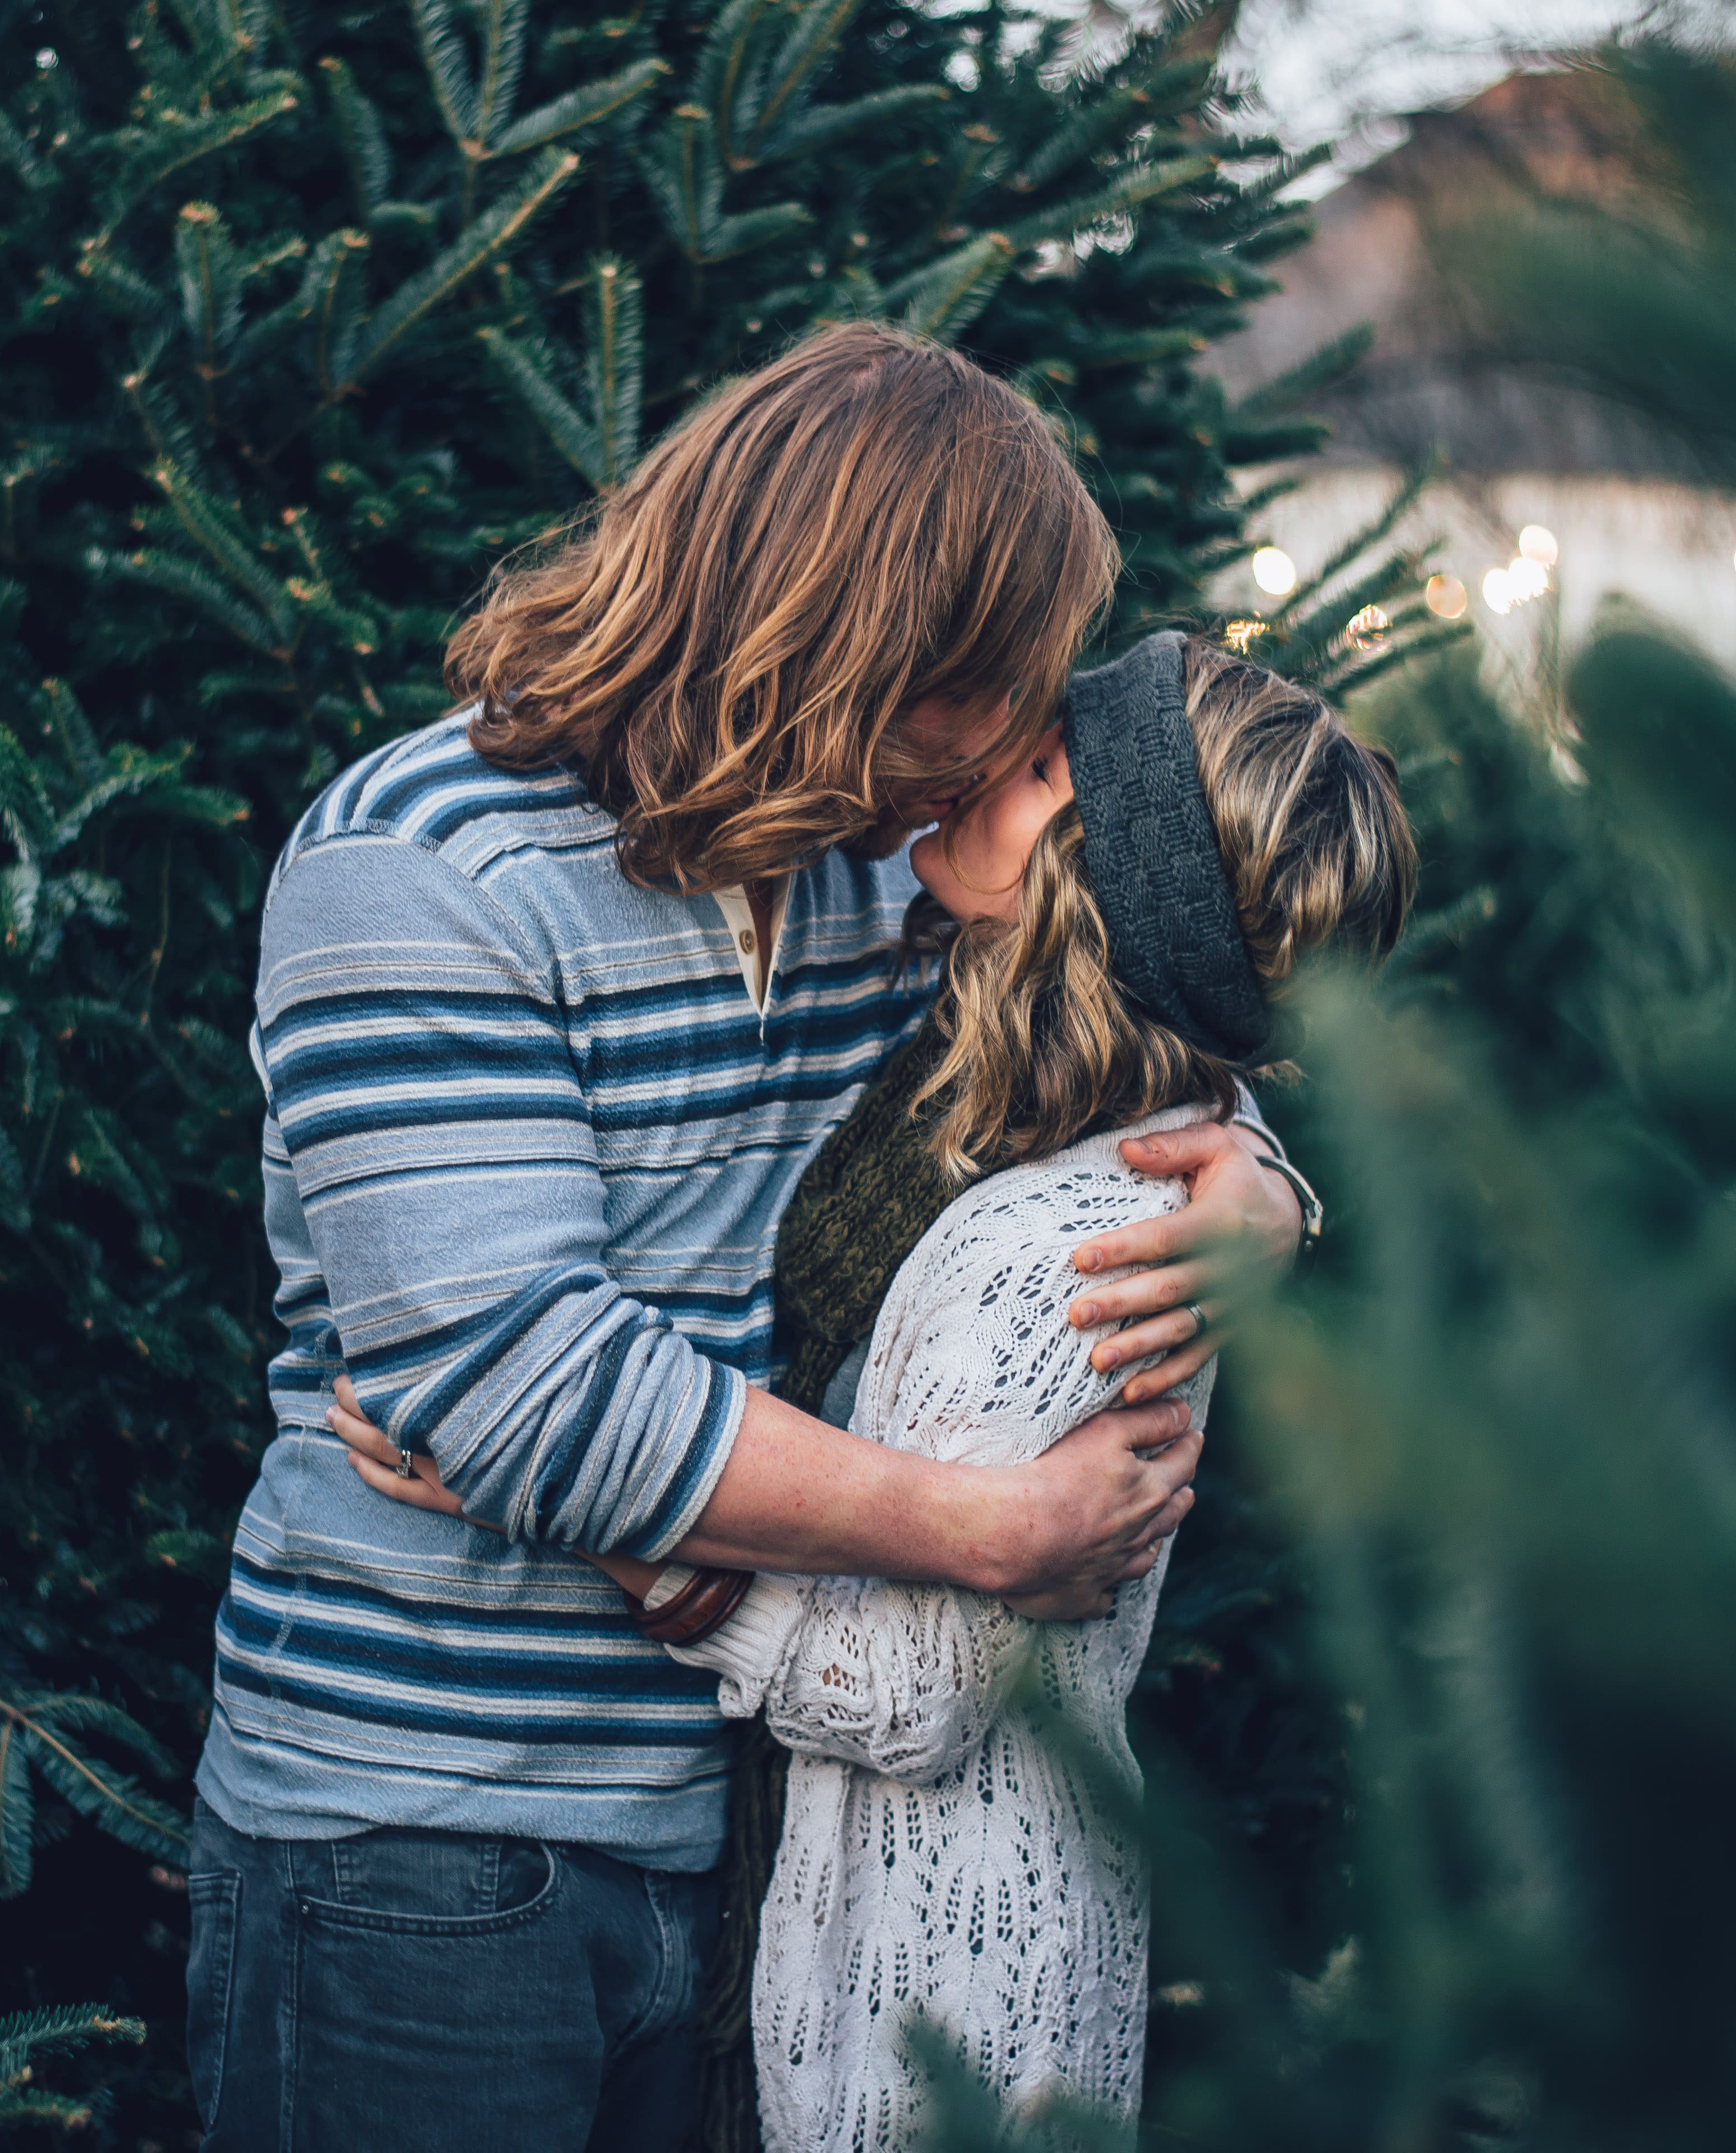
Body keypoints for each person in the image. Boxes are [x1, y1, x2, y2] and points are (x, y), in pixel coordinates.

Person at [185, 324, 1313, 2153]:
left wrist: (1261, 1185)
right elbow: (530, 1395)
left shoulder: (875, 870)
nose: (1019, 745)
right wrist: (983, 1527)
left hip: (737, 1826)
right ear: (854, 647)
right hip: (423, 1840)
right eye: (993, 695)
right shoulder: (421, 867)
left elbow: (1134, 1001)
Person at [354, 632, 1417, 2151]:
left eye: (1045, 768)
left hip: (943, 1972)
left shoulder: (1069, 1243)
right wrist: (1268, 1178)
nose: (990, 762)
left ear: (1106, 896)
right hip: (852, 1906)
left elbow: (913, 1698)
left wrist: (575, 1506)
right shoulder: (989, 1067)